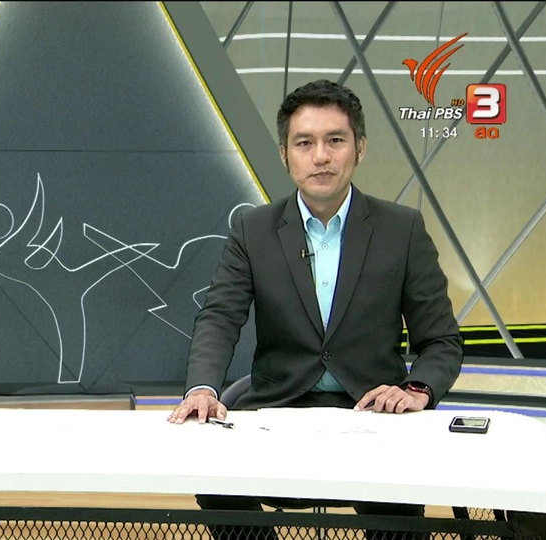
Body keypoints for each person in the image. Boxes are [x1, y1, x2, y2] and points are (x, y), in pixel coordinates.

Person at [167, 79, 463, 540]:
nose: (320, 156)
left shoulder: (401, 229)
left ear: (359, 148)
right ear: (285, 155)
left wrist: (417, 388)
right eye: (304, 143)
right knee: (214, 475)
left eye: (335, 140)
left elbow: (441, 341)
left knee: (399, 516)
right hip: (279, 403)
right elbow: (220, 317)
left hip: (375, 412)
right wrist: (202, 388)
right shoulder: (252, 229)